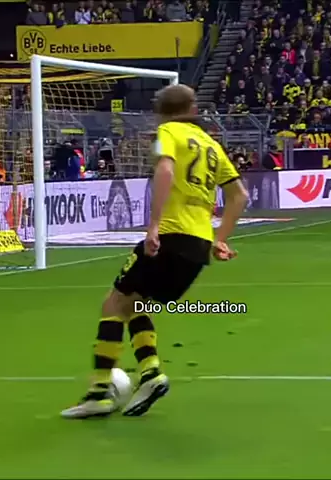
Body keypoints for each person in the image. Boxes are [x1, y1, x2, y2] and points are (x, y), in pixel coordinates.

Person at [61, 84, 248, 419]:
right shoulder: (211, 144)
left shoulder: (167, 133)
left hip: (171, 234)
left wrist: (154, 225)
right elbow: (240, 196)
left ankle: (99, 392)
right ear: (193, 110)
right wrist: (220, 238)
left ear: (160, 113)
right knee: (135, 301)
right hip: (198, 245)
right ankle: (150, 374)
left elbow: (165, 169)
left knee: (113, 303)